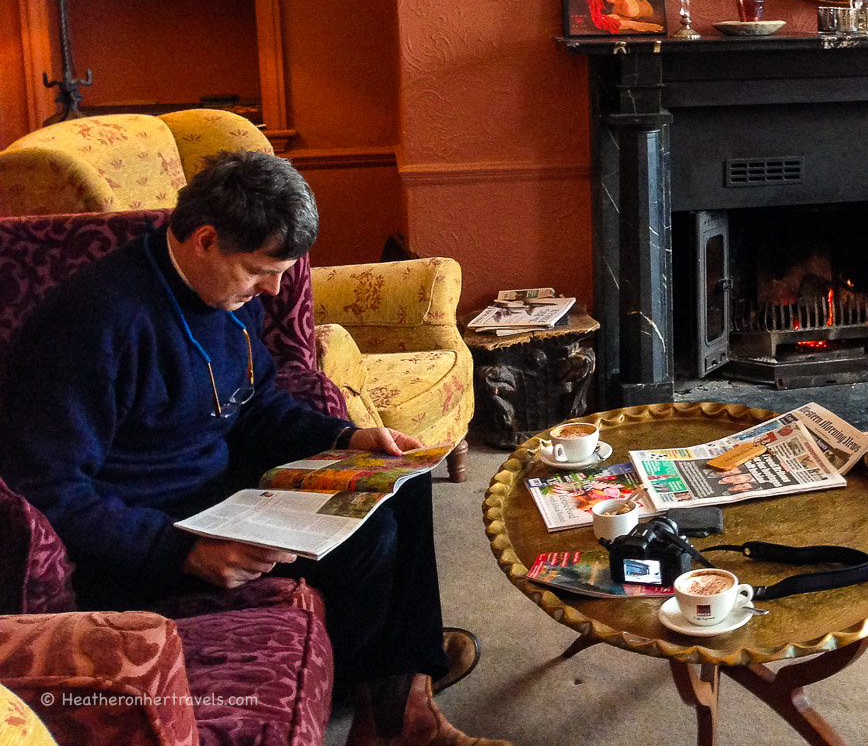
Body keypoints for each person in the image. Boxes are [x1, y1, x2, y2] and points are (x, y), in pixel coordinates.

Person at [0, 151, 511, 746]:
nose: (273, 291)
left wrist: (347, 438)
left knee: (401, 478)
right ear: (205, 239)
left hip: (216, 488)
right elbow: (47, 491)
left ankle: (401, 692)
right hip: (147, 529)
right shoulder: (91, 325)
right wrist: (181, 552)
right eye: (259, 270)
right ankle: (392, 695)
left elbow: (256, 403)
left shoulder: (223, 295)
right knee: (371, 541)